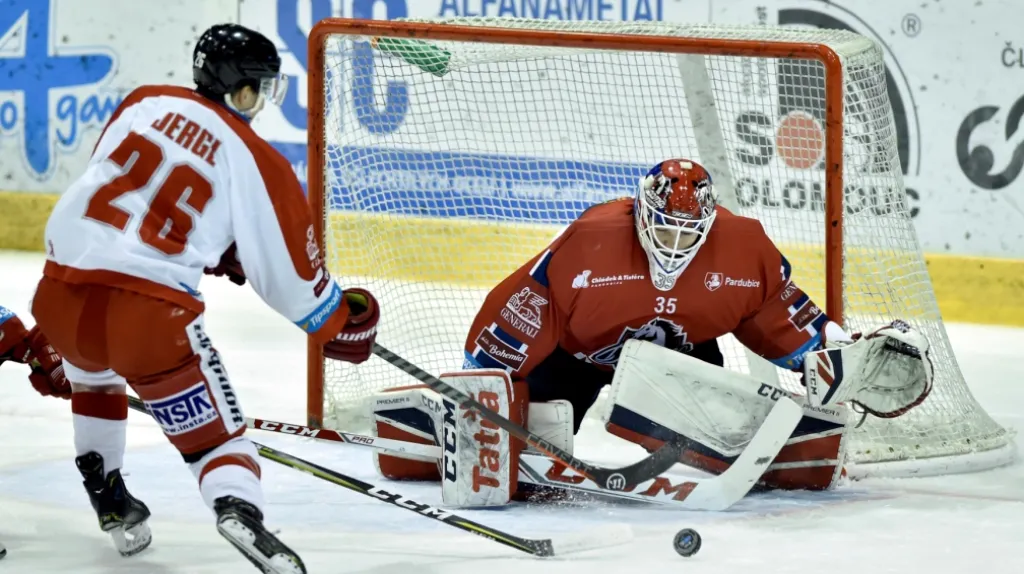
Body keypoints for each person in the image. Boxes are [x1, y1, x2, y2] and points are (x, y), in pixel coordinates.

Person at [368, 159, 932, 502]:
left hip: (682, 362)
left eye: (688, 233)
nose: (674, 243)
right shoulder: (591, 240)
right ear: (639, 213)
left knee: (732, 437)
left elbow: (780, 317)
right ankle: (428, 431)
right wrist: (482, 391)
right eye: (663, 228)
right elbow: (520, 312)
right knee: (527, 451)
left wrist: (832, 354)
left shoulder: (744, 249)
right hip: (575, 359)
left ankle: (762, 451)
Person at [29, 24, 379, 574]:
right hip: (147, 320)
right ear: (243, 90)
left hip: (58, 295)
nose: (262, 101)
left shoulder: (144, 101)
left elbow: (111, 179)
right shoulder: (256, 157)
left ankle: (109, 494)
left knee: (93, 380)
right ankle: (237, 507)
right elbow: (292, 279)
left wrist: (211, 244)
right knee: (216, 441)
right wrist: (337, 319)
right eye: (261, 88)